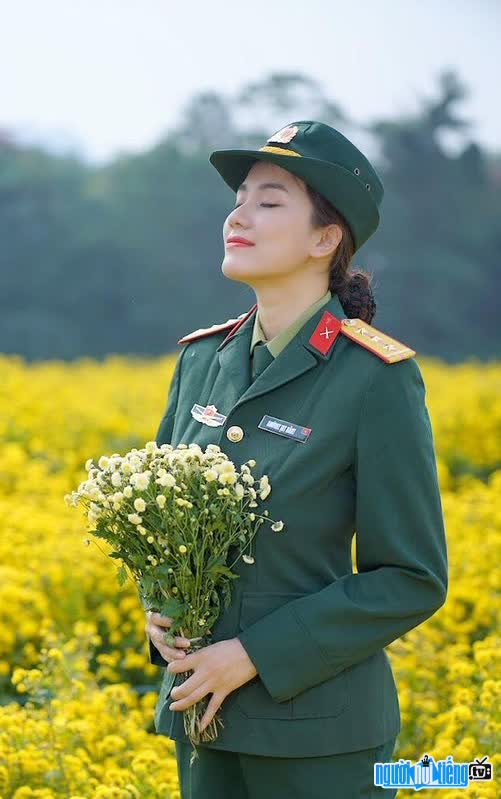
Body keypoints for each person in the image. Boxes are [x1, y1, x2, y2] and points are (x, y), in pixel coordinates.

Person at [144, 120, 448, 799]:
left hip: (320, 738)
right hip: (201, 718)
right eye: (239, 197)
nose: (238, 214)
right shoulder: (200, 361)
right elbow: (158, 524)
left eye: (269, 200)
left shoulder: (375, 376)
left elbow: (410, 576)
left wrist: (253, 654)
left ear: (324, 237)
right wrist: (157, 608)